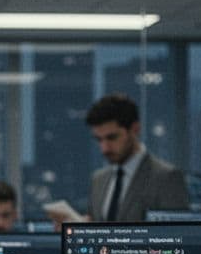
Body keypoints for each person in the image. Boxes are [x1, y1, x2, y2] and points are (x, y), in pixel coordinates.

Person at [78, 94, 188, 222]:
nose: (104, 148)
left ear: (134, 129)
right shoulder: (98, 180)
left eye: (112, 138)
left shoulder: (167, 178)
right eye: (99, 140)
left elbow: (178, 236)